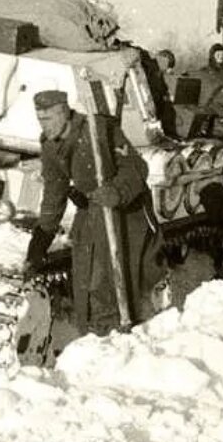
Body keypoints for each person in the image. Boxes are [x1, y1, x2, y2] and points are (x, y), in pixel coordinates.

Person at [25, 90, 163, 335]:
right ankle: (95, 334)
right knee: (87, 279)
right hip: (92, 210)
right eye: (39, 120)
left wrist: (117, 191)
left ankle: (128, 332)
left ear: (64, 113)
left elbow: (137, 168)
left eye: (47, 119)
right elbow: (54, 194)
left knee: (120, 279)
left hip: (125, 213)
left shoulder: (99, 131)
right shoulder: (50, 146)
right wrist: (41, 239)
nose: (43, 126)